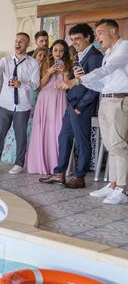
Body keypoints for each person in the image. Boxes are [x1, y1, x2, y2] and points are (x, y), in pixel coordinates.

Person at [60, 19, 128, 204]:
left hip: (119, 99)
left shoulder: (124, 47)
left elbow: (108, 70)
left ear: (113, 31)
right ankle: (113, 184)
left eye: (100, 32)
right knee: (110, 145)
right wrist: (83, 79)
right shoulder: (108, 52)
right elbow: (102, 83)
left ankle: (122, 189)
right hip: (106, 98)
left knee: (118, 146)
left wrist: (77, 81)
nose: (97, 37)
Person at [40, 24, 104, 188]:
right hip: (71, 104)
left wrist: (80, 107)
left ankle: (80, 177)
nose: (74, 42)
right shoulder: (80, 56)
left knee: (82, 142)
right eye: (72, 39)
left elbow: (95, 86)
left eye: (78, 39)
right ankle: (59, 173)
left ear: (88, 38)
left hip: (82, 107)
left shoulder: (95, 56)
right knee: (64, 138)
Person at [0, 33, 40, 175]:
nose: (18, 44)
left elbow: (35, 85)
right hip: (5, 104)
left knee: (21, 136)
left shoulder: (33, 63)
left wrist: (21, 84)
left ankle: (19, 164)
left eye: (22, 41)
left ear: (28, 44)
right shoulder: (6, 60)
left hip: (22, 106)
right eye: (16, 41)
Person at [26, 40, 71, 175]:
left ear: (65, 52)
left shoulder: (68, 64)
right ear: (51, 51)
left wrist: (65, 72)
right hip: (45, 98)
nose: (58, 53)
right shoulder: (45, 63)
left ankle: (58, 165)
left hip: (60, 98)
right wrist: (49, 72)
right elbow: (40, 84)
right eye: (55, 50)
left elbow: (68, 84)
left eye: (61, 50)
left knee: (59, 129)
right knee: (43, 128)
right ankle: (41, 163)